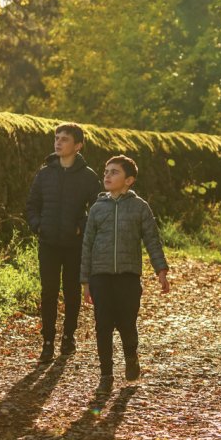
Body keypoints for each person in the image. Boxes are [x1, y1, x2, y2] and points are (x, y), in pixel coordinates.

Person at [81, 155, 170, 393]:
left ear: (129, 180)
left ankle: (131, 357)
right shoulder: (98, 208)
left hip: (128, 276)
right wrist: (85, 280)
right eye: (106, 171)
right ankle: (106, 373)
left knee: (127, 323)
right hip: (100, 275)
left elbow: (152, 239)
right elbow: (87, 244)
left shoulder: (140, 207)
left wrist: (160, 270)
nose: (107, 176)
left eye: (114, 172)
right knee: (103, 325)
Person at [26, 123, 101, 363]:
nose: (58, 142)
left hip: (74, 244)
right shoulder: (44, 173)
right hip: (48, 243)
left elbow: (98, 209)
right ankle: (47, 342)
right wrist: (38, 225)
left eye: (64, 139)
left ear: (78, 145)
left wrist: (81, 225)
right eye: (56, 138)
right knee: (48, 292)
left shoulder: (89, 177)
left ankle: (68, 336)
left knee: (71, 293)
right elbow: (31, 205)